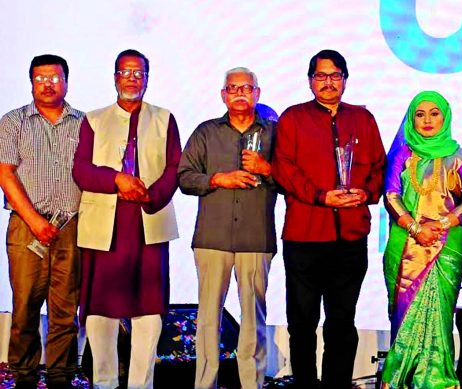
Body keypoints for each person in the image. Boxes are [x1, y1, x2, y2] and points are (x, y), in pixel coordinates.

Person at [272, 49, 386, 388]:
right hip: (305, 236)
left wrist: (365, 194)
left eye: (335, 76)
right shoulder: (293, 118)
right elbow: (283, 169)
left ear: (345, 80)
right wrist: (321, 196)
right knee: (302, 322)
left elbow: (380, 168)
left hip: (349, 238)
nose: (328, 83)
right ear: (310, 81)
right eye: (321, 76)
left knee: (341, 321)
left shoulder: (362, 120)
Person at [73, 49, 181, 389]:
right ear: (115, 77)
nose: (131, 78)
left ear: (147, 78)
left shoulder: (164, 118)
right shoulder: (93, 119)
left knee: (149, 311)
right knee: (100, 311)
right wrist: (115, 179)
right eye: (125, 71)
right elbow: (81, 169)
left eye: (138, 72)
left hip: (148, 225)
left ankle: (141, 384)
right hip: (105, 227)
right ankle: (104, 381)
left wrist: (150, 194)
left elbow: (175, 167)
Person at [178, 67, 276, 389]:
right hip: (212, 237)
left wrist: (267, 169)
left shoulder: (275, 134)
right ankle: (205, 384)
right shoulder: (206, 132)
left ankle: (252, 384)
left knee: (253, 320)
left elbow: (292, 181)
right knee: (207, 319)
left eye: (246, 88)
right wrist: (218, 179)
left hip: (255, 236)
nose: (239, 93)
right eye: (233, 88)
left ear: (257, 94)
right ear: (223, 95)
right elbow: (184, 177)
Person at [380, 91, 462, 388]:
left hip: (446, 245)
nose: (427, 120)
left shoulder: (459, 156)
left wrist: (443, 223)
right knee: (404, 313)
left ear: (445, 117)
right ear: (411, 118)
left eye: (434, 113)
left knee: (440, 317)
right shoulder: (402, 153)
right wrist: (415, 228)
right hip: (405, 242)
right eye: (420, 114)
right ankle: (400, 378)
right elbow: (391, 195)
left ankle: (437, 380)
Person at [0, 54, 83, 389]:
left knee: (66, 309)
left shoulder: (83, 123)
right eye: (40, 78)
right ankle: (24, 376)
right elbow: (4, 173)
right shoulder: (12, 121)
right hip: (26, 226)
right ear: (30, 81)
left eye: (54, 77)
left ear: (66, 80)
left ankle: (61, 376)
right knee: (25, 308)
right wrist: (34, 220)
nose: (47, 84)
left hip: (72, 226)